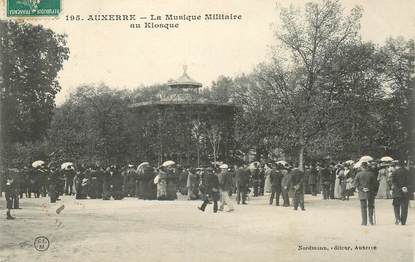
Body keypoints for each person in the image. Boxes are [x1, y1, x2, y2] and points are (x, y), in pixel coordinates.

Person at [354, 162, 378, 226]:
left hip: (362, 193)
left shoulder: (358, 174)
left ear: (361, 167)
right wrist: (372, 190)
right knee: (371, 206)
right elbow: (375, 184)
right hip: (370, 192)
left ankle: (364, 222)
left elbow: (355, 184)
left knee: (363, 207)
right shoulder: (371, 174)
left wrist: (362, 188)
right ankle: (371, 221)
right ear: (367, 167)